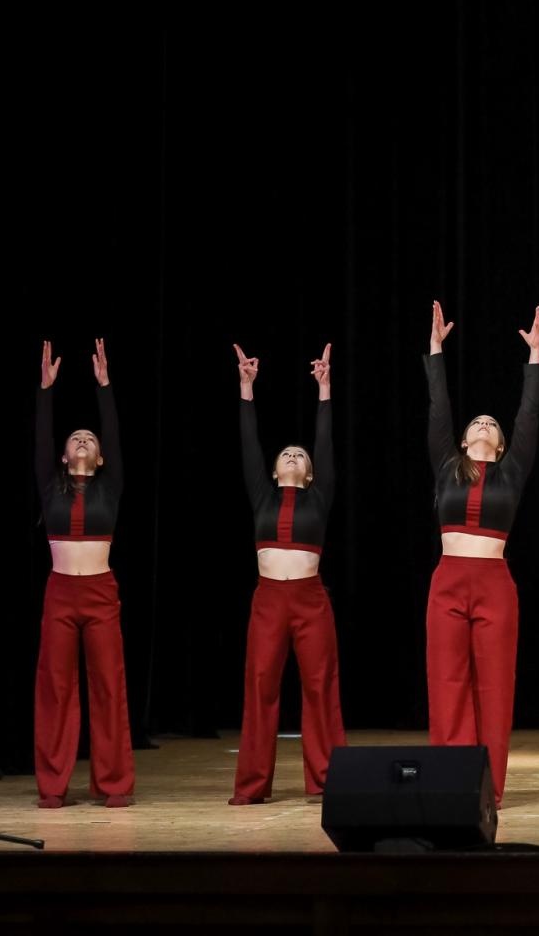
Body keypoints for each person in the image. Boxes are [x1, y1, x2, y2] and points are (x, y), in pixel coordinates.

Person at [423, 302, 539, 808]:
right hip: (448, 581)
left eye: (492, 423)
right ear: (464, 438)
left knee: (494, 688)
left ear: (501, 442)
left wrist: (535, 358)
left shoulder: (511, 472)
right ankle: (451, 782)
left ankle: (487, 788)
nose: (485, 424)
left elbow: (528, 416)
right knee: (448, 683)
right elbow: (438, 408)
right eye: (477, 421)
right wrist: (435, 351)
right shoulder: (447, 467)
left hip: (494, 584)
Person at [229, 342, 346, 804]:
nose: (294, 456)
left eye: (300, 455)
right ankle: (253, 784)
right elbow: (248, 447)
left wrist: (325, 391)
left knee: (320, 686)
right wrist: (246, 390)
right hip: (269, 601)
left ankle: (328, 779)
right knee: (261, 686)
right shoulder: (263, 494)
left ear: (311, 474)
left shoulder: (320, 496)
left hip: (310, 601)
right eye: (287, 455)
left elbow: (325, 445)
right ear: (275, 472)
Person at [33, 338, 135, 808]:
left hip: (100, 593)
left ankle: (114, 783)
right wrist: (46, 391)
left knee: (108, 684)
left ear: (100, 457)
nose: (82, 440)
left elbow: (112, 431)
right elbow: (41, 439)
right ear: (63, 455)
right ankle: (53, 785)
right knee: (55, 688)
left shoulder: (110, 487)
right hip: (60, 593)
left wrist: (105, 386)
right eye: (75, 437)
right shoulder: (49, 486)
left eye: (89, 440)